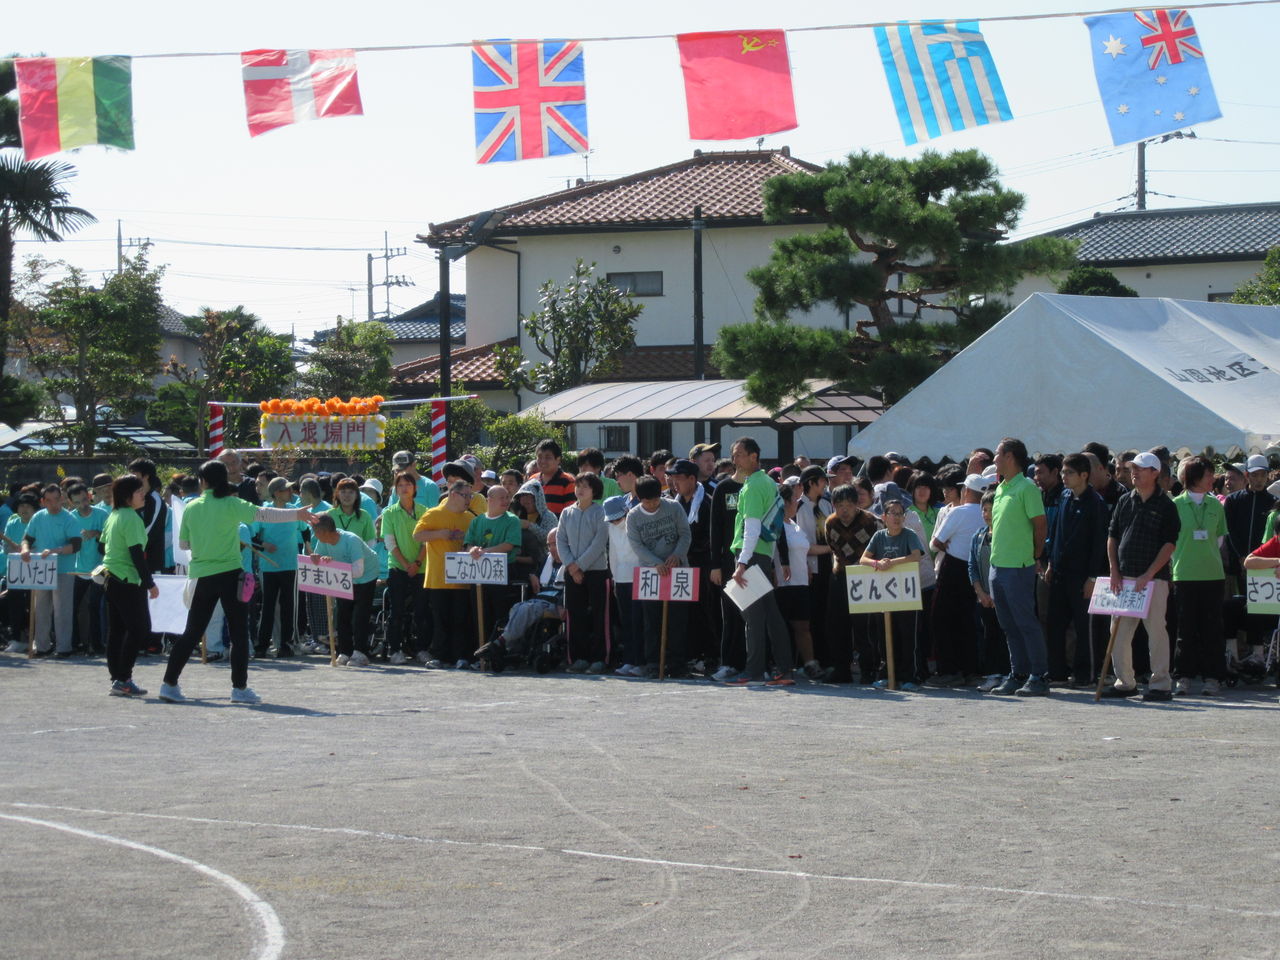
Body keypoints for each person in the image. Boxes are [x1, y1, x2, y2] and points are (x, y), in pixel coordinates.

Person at [159, 460, 315, 704]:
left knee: (192, 632)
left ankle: (169, 684)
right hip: (231, 574)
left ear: (203, 481)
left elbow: (184, 544)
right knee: (239, 633)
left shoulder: (191, 507)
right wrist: (297, 513)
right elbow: (264, 514)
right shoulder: (232, 504)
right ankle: (239, 689)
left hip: (201, 575)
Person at [1103, 451, 1181, 701]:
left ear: (1155, 473)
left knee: (1156, 631)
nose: (1134, 472)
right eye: (1133, 468)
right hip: (1124, 578)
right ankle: (1125, 682)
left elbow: (1169, 544)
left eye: (1140, 468)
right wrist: (1114, 571)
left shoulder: (1167, 505)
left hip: (1154, 579)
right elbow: (1113, 536)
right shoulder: (1124, 500)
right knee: (1118, 632)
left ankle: (1161, 684)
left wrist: (1148, 574)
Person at [725, 438, 794, 687]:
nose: (735, 460)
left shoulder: (754, 485)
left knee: (753, 617)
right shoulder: (766, 481)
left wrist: (742, 563)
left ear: (754, 456)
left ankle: (753, 671)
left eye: (739, 454)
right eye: (734, 455)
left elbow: (752, 528)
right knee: (771, 615)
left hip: (751, 555)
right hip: (761, 555)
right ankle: (784, 669)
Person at [987, 438, 1050, 697]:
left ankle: (1039, 676)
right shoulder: (1001, 488)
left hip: (1018, 567)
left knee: (1026, 622)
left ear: (1010, 456)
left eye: (997, 454)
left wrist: (1035, 554)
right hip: (997, 566)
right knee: (1009, 625)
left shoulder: (1027, 488)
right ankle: (1019, 673)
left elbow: (1040, 525)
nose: (994, 459)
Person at [1043, 453, 1109, 687]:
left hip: (1083, 576)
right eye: (1063, 472)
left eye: (1069, 472)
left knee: (1084, 627)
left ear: (1084, 475)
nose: (1064, 476)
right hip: (1060, 572)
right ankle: (1057, 673)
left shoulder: (1096, 503)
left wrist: (1092, 577)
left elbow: (1099, 544)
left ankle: (1086, 675)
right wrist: (1051, 563)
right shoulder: (1063, 497)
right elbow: (1055, 532)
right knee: (1055, 623)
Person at [1171, 456, 1228, 696]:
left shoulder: (1216, 504)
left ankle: (1212, 677)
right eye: (1208, 475)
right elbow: (1169, 541)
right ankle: (1183, 677)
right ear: (1194, 477)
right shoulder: (1175, 505)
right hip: (1184, 574)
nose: (1212, 478)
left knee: (1212, 629)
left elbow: (1219, 538)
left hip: (1212, 574)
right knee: (1185, 629)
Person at [628, 475, 692, 679]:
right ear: (639, 499)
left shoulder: (673, 507)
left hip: (678, 569)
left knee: (678, 620)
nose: (653, 504)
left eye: (656, 500)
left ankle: (677, 663)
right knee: (652, 620)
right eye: (648, 502)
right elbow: (636, 545)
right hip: (650, 572)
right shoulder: (633, 516)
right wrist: (656, 562)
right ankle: (654, 663)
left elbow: (685, 534)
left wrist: (677, 555)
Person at [100, 475, 158, 697]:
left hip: (111, 577)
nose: (143, 495)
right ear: (127, 496)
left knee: (117, 631)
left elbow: (101, 546)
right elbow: (136, 554)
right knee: (139, 629)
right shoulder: (132, 518)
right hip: (127, 580)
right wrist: (149, 583)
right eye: (138, 491)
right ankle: (124, 678)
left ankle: (117, 678)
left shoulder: (113, 515)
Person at [930, 474, 989, 685]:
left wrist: (946, 544)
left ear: (967, 491)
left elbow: (935, 543)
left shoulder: (958, 512)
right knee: (968, 621)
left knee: (941, 618)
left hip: (953, 567)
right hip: (977, 568)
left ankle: (948, 670)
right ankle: (969, 669)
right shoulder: (986, 513)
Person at [413, 479, 480, 668]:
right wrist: (440, 534)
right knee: (440, 619)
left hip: (462, 578)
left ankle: (461, 656)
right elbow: (417, 535)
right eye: (465, 496)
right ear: (453, 494)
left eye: (470, 496)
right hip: (438, 577)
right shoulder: (434, 514)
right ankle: (441, 656)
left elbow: (475, 541)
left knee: (461, 618)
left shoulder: (470, 518)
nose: (468, 500)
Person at [860, 500, 925, 690]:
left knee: (908, 636)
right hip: (884, 595)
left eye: (900, 514)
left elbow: (916, 556)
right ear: (884, 517)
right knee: (885, 636)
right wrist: (877, 563)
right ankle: (887, 675)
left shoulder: (909, 534)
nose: (897, 517)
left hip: (906, 593)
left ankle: (910, 677)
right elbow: (863, 559)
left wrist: (891, 562)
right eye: (892, 513)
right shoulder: (879, 536)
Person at [309, 512, 380, 666]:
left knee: (360, 615)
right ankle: (345, 651)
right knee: (342, 613)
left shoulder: (351, 540)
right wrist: (316, 559)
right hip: (344, 577)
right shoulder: (323, 541)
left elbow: (358, 571)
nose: (314, 535)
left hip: (366, 576)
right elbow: (319, 560)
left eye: (315, 531)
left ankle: (360, 652)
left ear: (323, 532)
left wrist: (334, 565)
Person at [1224, 454, 1276, 660]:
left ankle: (1257, 652)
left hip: (1263, 568)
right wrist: (1241, 557)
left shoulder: (1273, 502)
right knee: (1235, 607)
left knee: (1258, 608)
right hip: (1236, 566)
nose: (1259, 479)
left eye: (1263, 474)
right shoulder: (1233, 500)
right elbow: (1230, 532)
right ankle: (1233, 651)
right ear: (1247, 475)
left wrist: (1259, 561)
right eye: (1255, 475)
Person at [556, 474, 610, 673]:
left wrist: (579, 566)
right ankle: (578, 657)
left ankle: (600, 658)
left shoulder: (600, 512)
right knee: (575, 615)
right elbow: (561, 540)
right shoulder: (566, 512)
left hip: (596, 571)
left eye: (585, 486)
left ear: (594, 490)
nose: (580, 490)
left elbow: (599, 543)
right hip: (571, 572)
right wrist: (571, 566)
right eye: (578, 485)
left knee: (599, 616)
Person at [21, 483, 82, 657]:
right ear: (43, 501)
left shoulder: (69, 518)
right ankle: (42, 646)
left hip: (63, 569)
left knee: (62, 610)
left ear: (62, 499)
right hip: (42, 568)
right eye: (49, 500)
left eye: (56, 499)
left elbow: (76, 545)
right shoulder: (38, 517)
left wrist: (57, 550)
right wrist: (25, 549)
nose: (53, 504)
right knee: (41, 609)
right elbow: (27, 539)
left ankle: (64, 648)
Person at [463, 484, 522, 662]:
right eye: (501, 497)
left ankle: (498, 654)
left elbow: (509, 545)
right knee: (479, 613)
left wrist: (485, 552)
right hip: (478, 574)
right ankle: (479, 654)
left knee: (500, 614)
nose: (506, 501)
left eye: (507, 497)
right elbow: (469, 543)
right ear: (489, 500)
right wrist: (473, 550)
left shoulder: (512, 520)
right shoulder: (477, 521)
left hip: (502, 571)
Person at [669, 458, 715, 672]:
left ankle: (710, 655)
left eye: (679, 478)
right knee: (684, 613)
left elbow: (710, 537)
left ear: (692, 479)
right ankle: (690, 654)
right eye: (672, 478)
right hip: (680, 566)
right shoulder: (674, 503)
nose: (674, 483)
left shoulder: (706, 503)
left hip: (702, 564)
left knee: (705, 611)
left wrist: (685, 550)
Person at [254, 477, 306, 658]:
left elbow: (305, 530)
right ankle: (261, 646)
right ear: (276, 493)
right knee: (268, 607)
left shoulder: (294, 510)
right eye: (286, 489)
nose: (291, 492)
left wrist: (308, 548)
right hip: (269, 566)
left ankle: (286, 645)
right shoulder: (264, 511)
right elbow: (252, 537)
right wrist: (264, 545)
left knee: (288, 607)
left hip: (290, 565)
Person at [381, 471, 430, 666]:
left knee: (422, 611)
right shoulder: (389, 513)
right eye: (400, 485)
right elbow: (390, 543)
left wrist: (416, 563)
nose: (404, 488)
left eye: (408, 484)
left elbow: (427, 541)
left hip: (421, 568)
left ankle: (422, 649)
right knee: (397, 612)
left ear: (415, 488)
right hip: (397, 568)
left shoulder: (425, 511)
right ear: (395, 489)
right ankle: (395, 650)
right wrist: (405, 565)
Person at [604, 495, 644, 677]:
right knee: (626, 622)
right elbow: (612, 555)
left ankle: (641, 662)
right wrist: (614, 578)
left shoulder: (635, 523)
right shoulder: (611, 528)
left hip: (638, 578)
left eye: (617, 517)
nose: (615, 521)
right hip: (620, 580)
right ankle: (629, 660)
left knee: (638, 622)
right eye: (611, 519)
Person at [67, 482, 106, 655]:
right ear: (70, 502)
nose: (82, 505)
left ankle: (96, 645)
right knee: (72, 607)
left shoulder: (102, 514)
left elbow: (111, 539)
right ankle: (75, 643)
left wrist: (96, 534)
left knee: (94, 606)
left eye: (84, 500)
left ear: (89, 496)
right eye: (77, 502)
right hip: (79, 569)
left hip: (100, 568)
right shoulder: (70, 517)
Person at [531, 439, 575, 516]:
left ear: (558, 460)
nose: (543, 461)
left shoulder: (568, 481)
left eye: (548, 457)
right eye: (539, 457)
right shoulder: (532, 480)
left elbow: (571, 514)